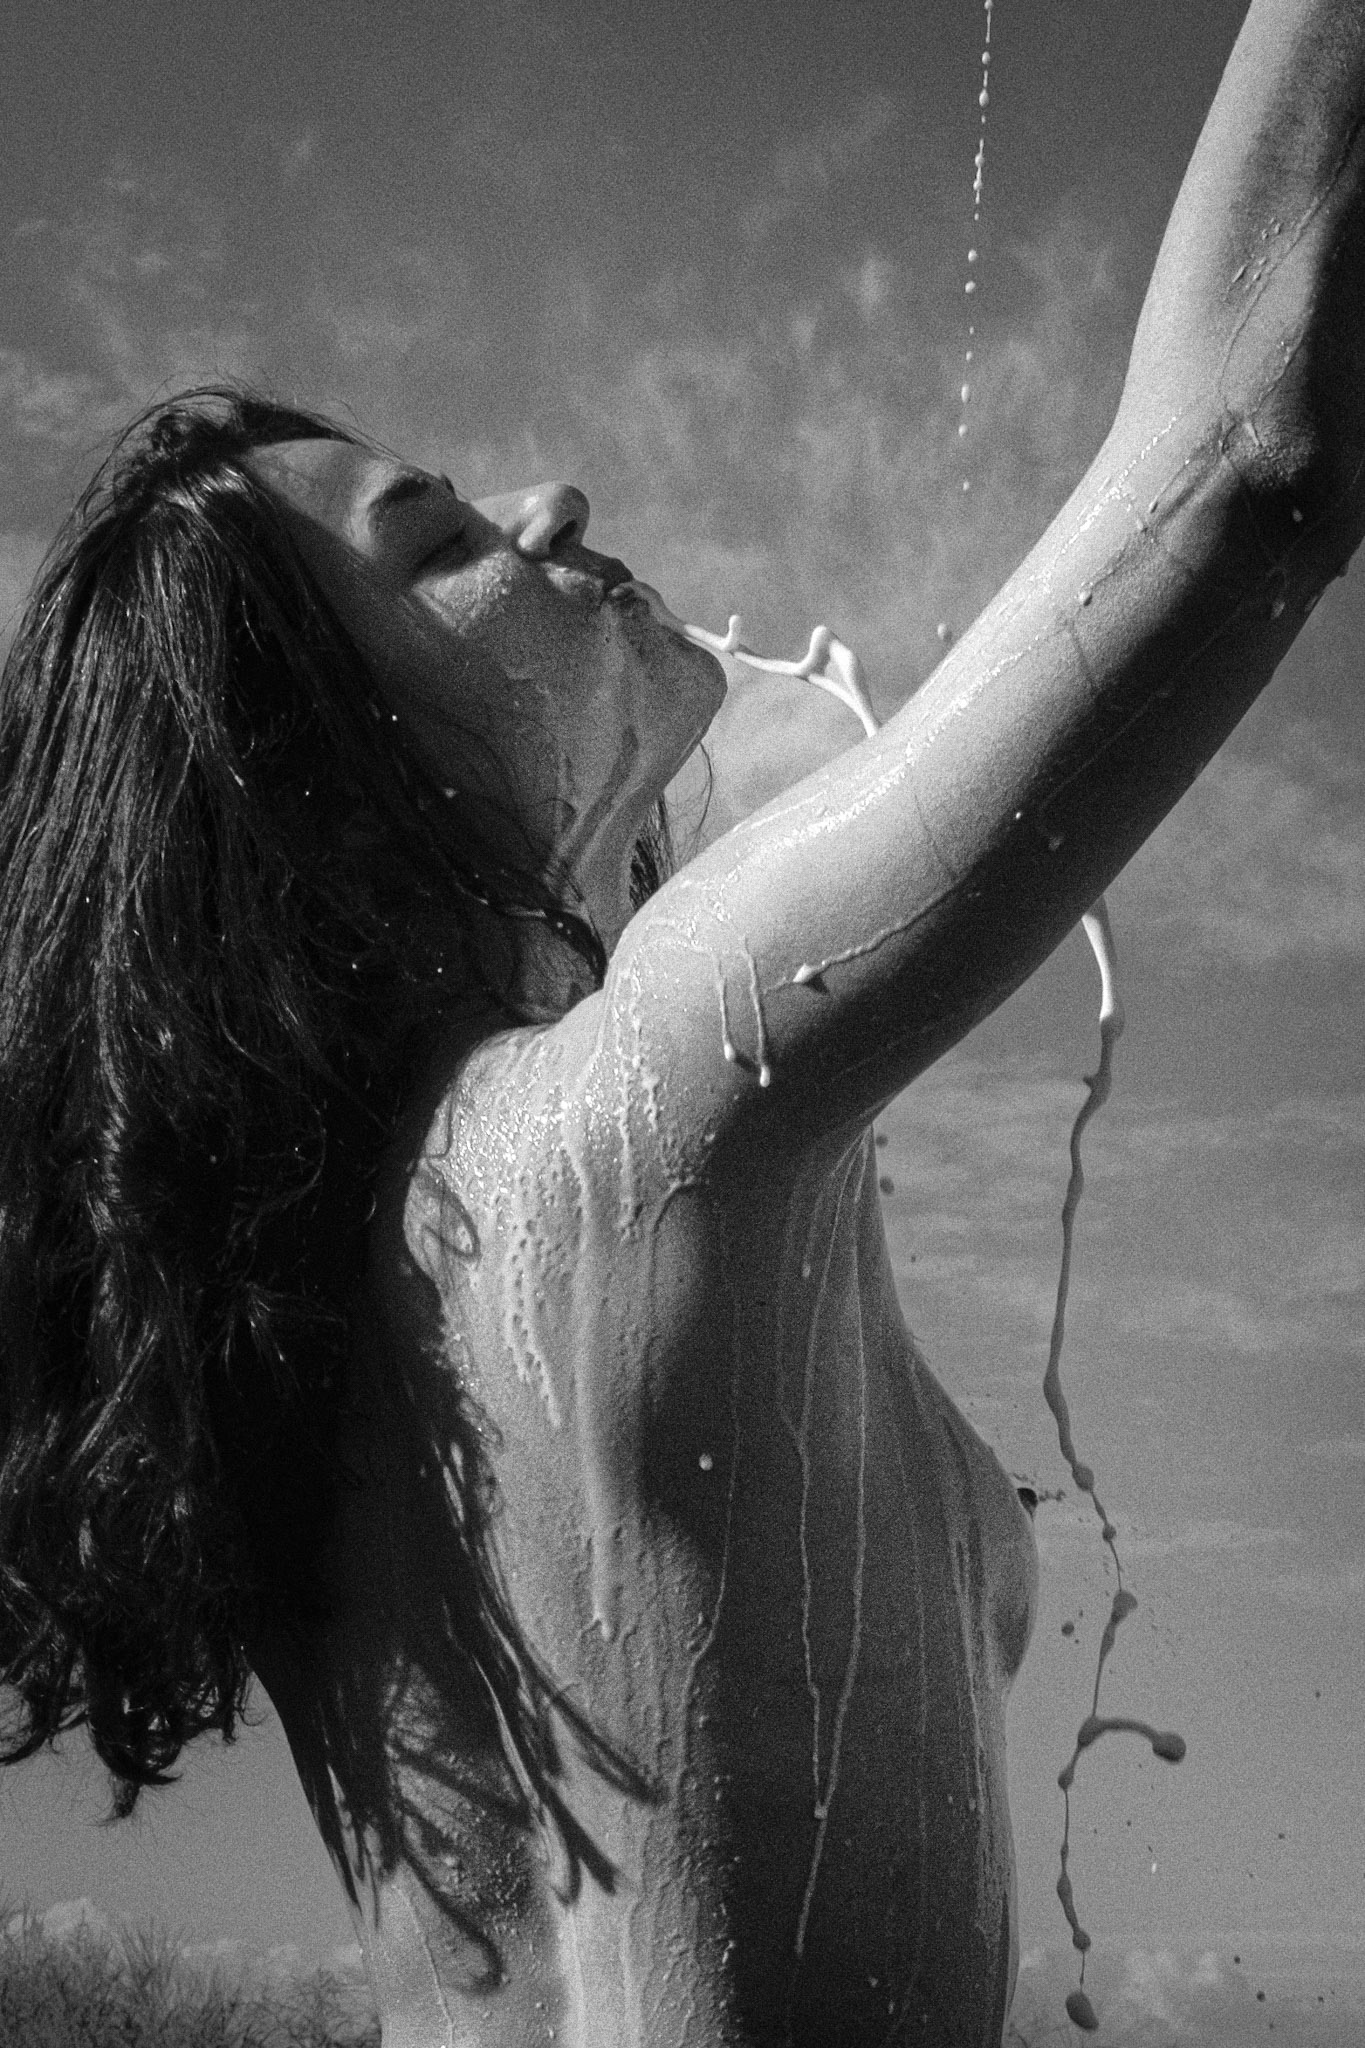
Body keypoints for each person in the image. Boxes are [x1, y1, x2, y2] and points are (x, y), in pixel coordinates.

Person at [3, 2, 1364, 2042]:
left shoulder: (355, 1331)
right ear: (322, 797)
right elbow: (1249, 449)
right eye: (440, 542)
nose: (551, 500)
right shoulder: (615, 1135)